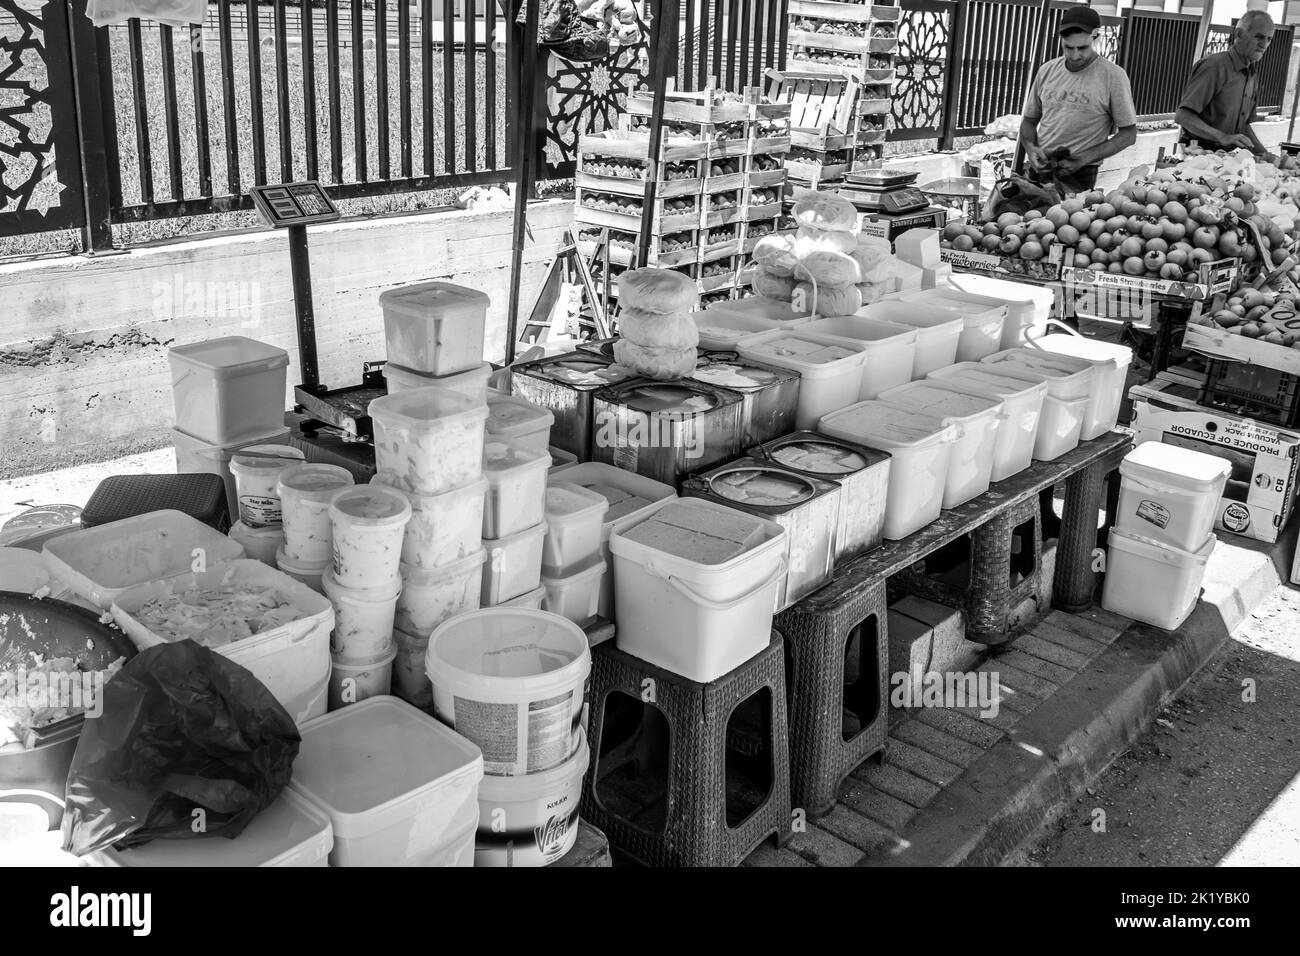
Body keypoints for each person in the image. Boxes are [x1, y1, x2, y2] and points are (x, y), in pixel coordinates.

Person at [1019, 4, 1139, 194]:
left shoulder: (1113, 76)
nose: (1075, 56)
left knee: (1069, 222)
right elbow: (1029, 121)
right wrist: (1031, 148)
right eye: (1068, 47)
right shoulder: (1047, 70)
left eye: (1082, 48)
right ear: (1061, 41)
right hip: (1041, 169)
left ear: (1096, 38)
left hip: (1080, 173)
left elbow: (1128, 135)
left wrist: (1084, 158)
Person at [1176, 9, 1286, 165]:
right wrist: (1222, 136)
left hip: (1230, 160)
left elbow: (1243, 127)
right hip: (1197, 158)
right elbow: (1183, 116)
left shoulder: (1252, 74)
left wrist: (1267, 156)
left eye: (1269, 39)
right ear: (1239, 34)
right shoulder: (1214, 67)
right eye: (1259, 37)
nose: (1264, 44)